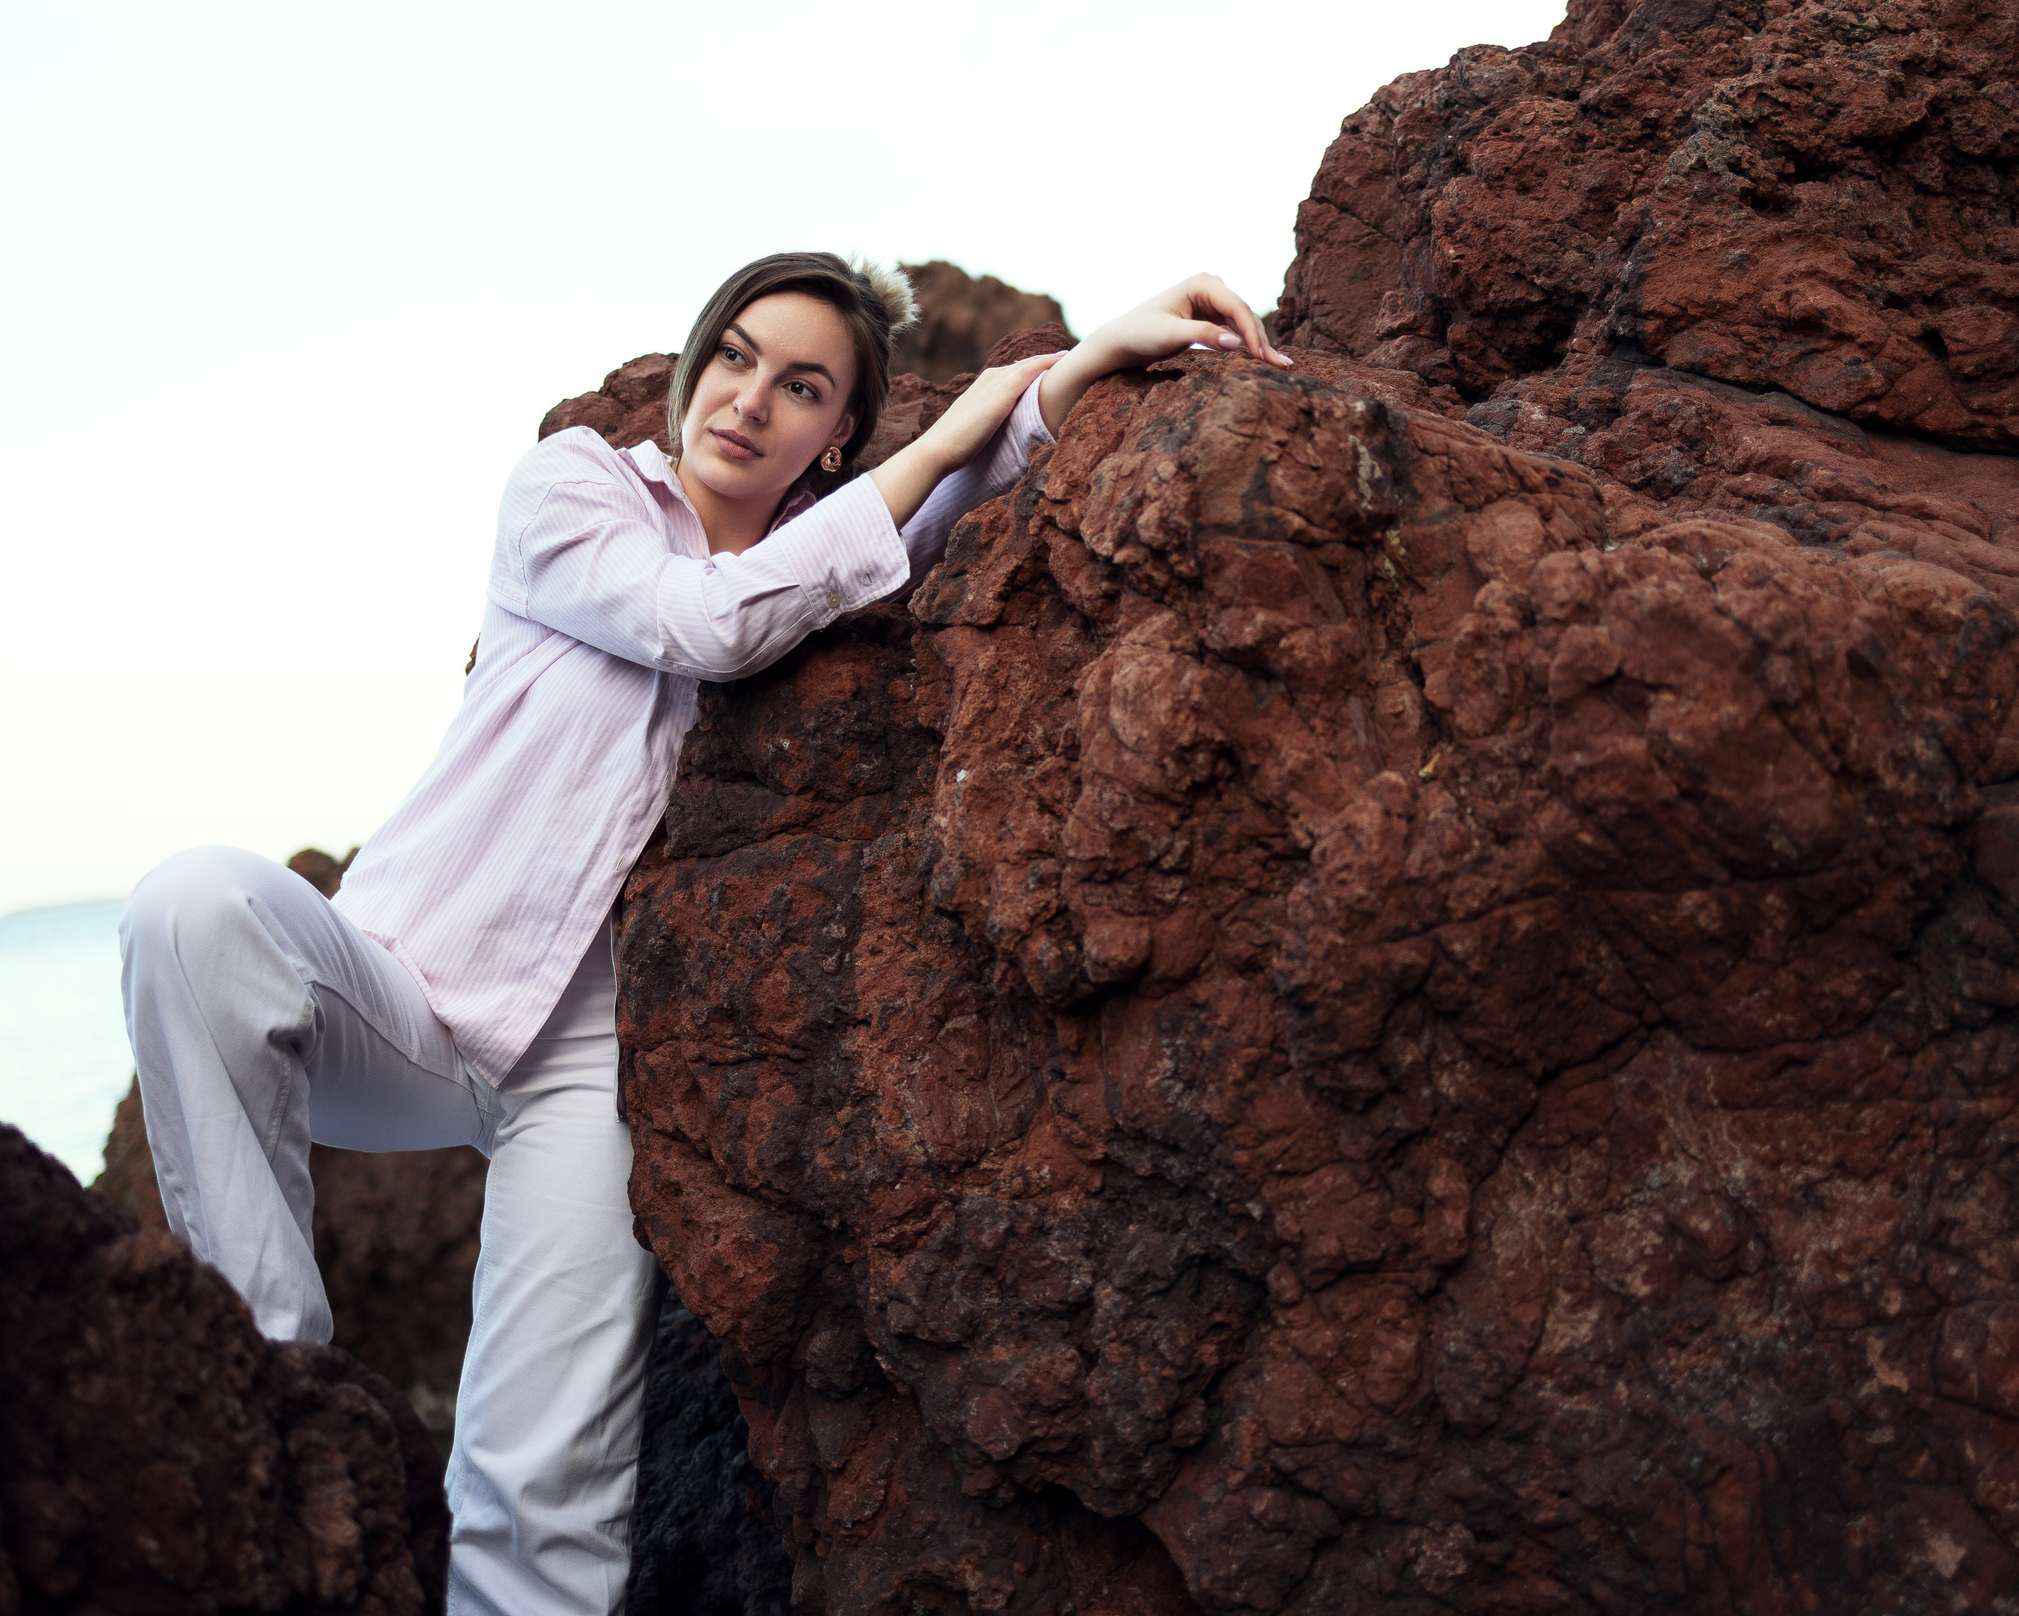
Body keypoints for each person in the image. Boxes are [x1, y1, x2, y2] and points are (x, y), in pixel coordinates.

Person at [117, 251, 1289, 1614]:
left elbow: (976, 479)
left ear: (838, 435)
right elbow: (707, 624)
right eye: (733, 356)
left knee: (541, 1475)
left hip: (592, 1064)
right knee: (190, 902)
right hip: (404, 989)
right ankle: (270, 1382)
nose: (748, 401)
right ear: (690, 365)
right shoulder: (574, 491)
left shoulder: (835, 543)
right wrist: (957, 425)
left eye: (800, 387)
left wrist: (1085, 364)